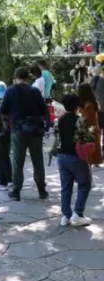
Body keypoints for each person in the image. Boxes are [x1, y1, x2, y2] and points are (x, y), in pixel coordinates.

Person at [0, 67, 48, 201]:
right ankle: (42, 190)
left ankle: (16, 191)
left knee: (17, 161)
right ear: (28, 77)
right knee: (37, 160)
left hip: (19, 130)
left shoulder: (10, 91)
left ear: (16, 77)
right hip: (35, 130)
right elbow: (43, 110)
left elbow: (3, 110)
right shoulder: (35, 91)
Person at [54, 93, 92, 226]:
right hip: (76, 156)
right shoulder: (80, 120)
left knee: (66, 187)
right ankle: (78, 214)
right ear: (77, 106)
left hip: (61, 157)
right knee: (84, 184)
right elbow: (87, 138)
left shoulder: (58, 121)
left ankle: (66, 216)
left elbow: (57, 136)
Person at [77, 83, 103, 166]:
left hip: (91, 130)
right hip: (93, 130)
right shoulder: (88, 103)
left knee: (91, 150)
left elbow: (88, 121)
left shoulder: (89, 105)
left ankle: (92, 162)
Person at [91, 66, 104, 153]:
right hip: (99, 111)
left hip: (99, 110)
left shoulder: (96, 79)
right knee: (96, 133)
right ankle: (96, 153)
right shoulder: (98, 80)